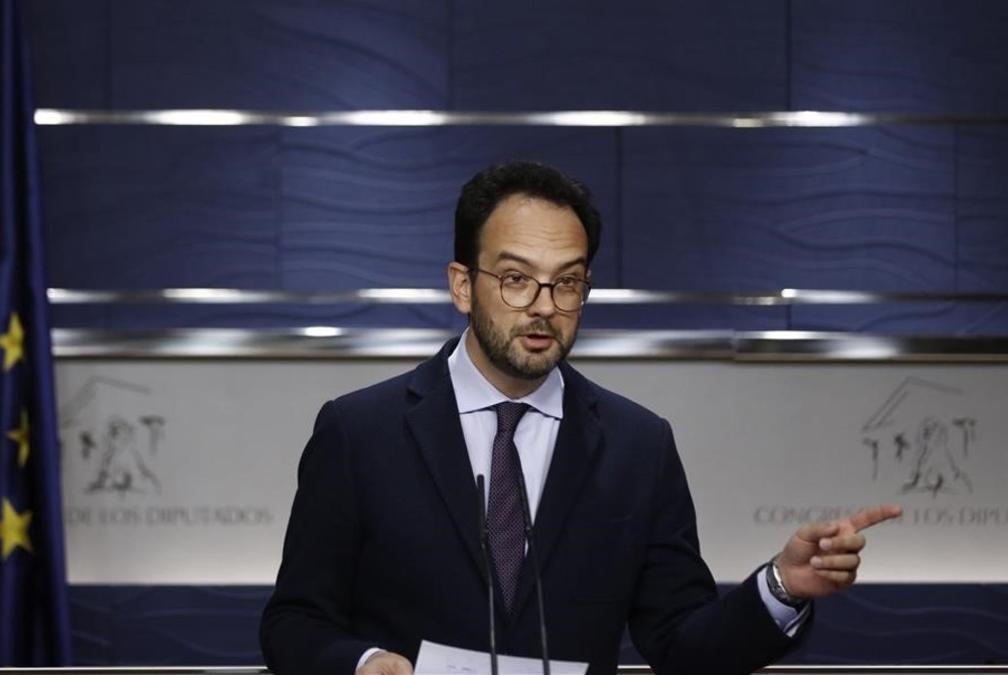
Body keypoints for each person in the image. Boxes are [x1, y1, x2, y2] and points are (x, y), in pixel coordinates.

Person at [259, 161, 900, 674]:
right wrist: (364, 663)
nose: (543, 307)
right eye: (516, 279)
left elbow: (682, 644)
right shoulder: (360, 432)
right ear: (462, 285)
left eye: (567, 283)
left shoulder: (636, 446)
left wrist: (781, 588)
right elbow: (294, 623)